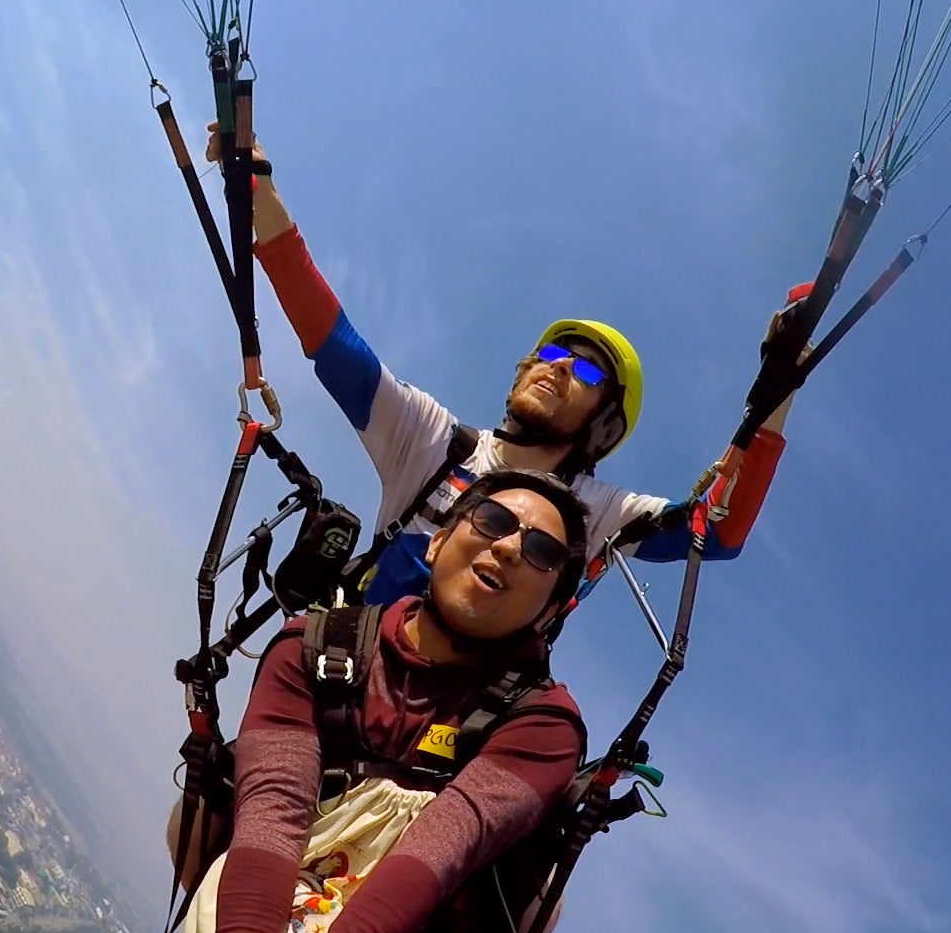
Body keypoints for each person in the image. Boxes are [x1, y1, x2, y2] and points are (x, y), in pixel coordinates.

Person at [207, 127, 796, 605]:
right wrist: (259, 189)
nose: (559, 367)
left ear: (604, 426)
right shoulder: (435, 442)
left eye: (587, 373)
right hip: (341, 687)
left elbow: (715, 532)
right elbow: (337, 348)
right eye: (551, 354)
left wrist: (781, 383)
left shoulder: (597, 512)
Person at [184, 469, 591, 933]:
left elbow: (439, 854)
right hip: (276, 885)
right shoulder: (313, 645)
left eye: (542, 552)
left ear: (549, 611)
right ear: (436, 544)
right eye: (492, 521)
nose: (508, 547)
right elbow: (274, 809)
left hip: (421, 922)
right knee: (195, 811)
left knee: (542, 903)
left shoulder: (544, 724)